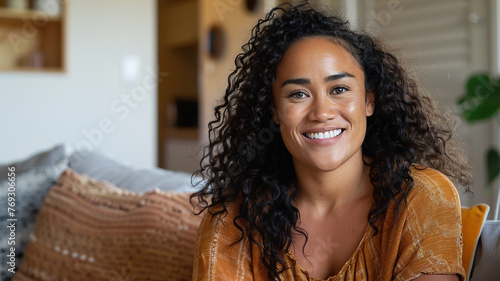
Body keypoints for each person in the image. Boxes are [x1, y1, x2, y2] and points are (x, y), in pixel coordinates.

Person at [190, 2, 473, 281]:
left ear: (368, 100)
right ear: (274, 111)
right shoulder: (233, 220)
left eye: (339, 89)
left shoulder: (421, 197)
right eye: (298, 94)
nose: (322, 113)